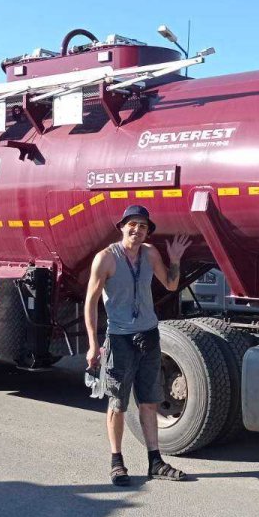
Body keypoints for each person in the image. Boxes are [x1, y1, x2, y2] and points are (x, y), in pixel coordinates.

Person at [84, 205, 191, 486]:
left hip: (149, 337)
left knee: (149, 401)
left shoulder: (150, 253)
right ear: (122, 227)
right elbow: (90, 302)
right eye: (132, 224)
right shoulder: (106, 258)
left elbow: (171, 285)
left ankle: (155, 462)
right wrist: (93, 344)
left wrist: (175, 260)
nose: (137, 230)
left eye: (143, 226)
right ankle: (117, 462)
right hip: (120, 339)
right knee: (118, 403)